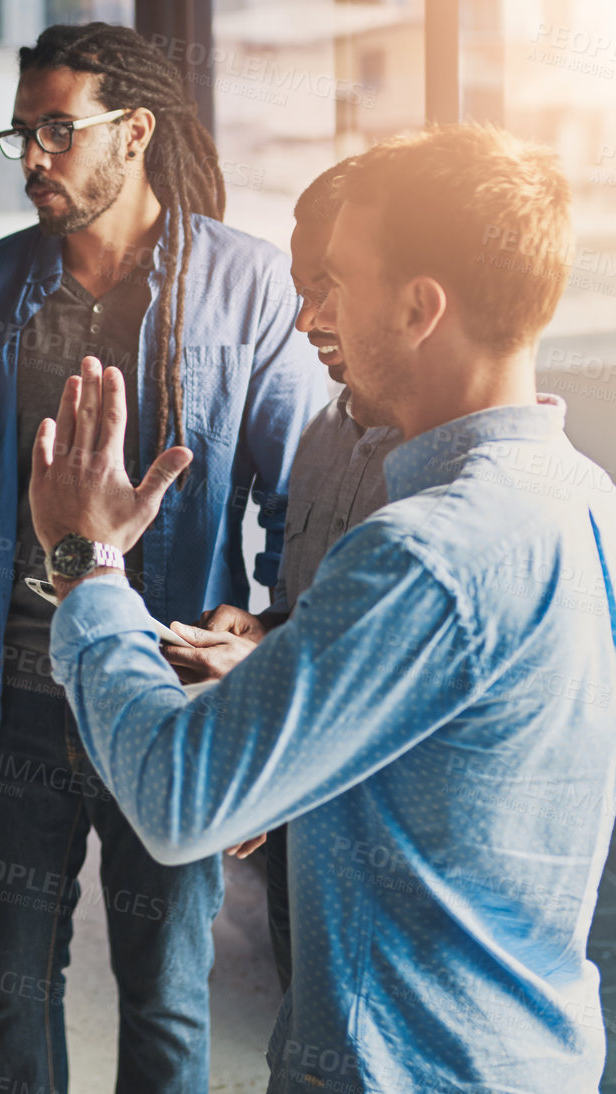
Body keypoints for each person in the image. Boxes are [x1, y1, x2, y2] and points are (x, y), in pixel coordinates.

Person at [29, 125, 616, 1093]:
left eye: (339, 280)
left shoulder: (425, 549)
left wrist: (84, 559)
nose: (311, 311)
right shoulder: (587, 501)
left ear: (416, 306)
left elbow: (177, 798)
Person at [0, 22, 322, 1093]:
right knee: (9, 981)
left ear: (132, 132)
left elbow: (302, 498)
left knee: (165, 994)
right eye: (19, 133)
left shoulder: (247, 285)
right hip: (12, 698)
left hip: (166, 701)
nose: (31, 157)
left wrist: (260, 632)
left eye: (54, 130)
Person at [162, 156, 408, 998]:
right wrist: (264, 632)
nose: (305, 320)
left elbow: (396, 698)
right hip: (304, 859)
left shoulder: (450, 491)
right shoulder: (329, 432)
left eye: (330, 286)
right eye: (303, 288)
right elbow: (323, 619)